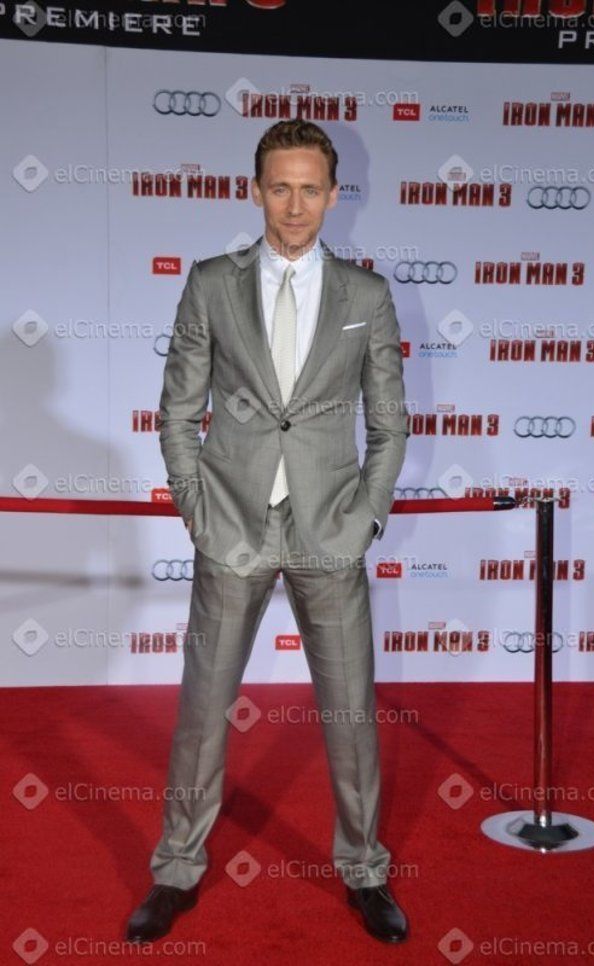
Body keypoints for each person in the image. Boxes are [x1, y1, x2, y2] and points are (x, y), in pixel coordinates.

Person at [126, 119, 410, 945]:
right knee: (203, 709)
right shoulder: (212, 283)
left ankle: (365, 870)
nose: (294, 205)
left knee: (350, 714)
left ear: (333, 194)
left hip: (330, 529)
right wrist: (197, 506)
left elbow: (390, 423)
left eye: (310, 189)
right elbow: (177, 411)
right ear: (255, 191)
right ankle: (176, 868)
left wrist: (364, 517)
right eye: (280, 187)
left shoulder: (367, 296)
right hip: (232, 528)